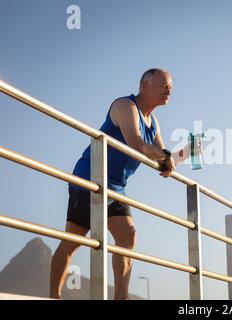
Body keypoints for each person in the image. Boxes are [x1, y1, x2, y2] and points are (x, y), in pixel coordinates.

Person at [49, 68, 192, 299]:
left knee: (128, 237)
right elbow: (136, 143)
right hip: (90, 178)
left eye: (171, 88)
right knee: (73, 241)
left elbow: (158, 154)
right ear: (144, 85)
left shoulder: (153, 120)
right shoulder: (125, 106)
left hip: (116, 186)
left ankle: (120, 297)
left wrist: (174, 160)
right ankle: (53, 295)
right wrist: (164, 157)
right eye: (163, 85)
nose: (169, 91)